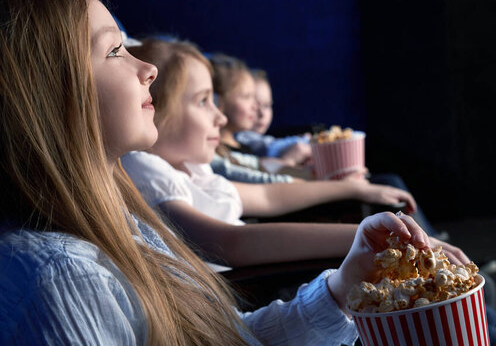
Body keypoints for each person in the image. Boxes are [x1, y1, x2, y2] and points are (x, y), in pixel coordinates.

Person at [0, 0, 460, 346]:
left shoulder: (122, 227)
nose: (147, 68)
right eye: (115, 50)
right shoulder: (56, 277)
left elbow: (229, 338)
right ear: (47, 96)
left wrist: (342, 288)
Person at [122, 38, 462, 272]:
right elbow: (230, 244)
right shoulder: (144, 167)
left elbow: (270, 195)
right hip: (253, 294)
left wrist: (355, 188)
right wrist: (372, 236)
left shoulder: (191, 168)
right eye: (203, 101)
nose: (220, 117)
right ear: (154, 108)